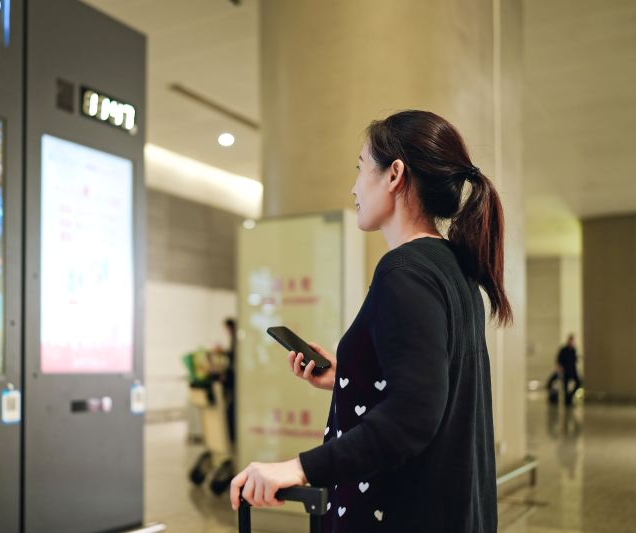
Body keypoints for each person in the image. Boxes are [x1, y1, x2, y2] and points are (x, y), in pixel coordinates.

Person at [230, 110, 510, 532]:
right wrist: (351, 378)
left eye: (361, 168)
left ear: (394, 174)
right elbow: (432, 383)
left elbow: (413, 415)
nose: (354, 187)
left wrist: (299, 468)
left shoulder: (403, 272)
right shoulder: (452, 268)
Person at [548, 334, 582, 406]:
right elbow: (559, 360)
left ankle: (569, 396)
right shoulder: (563, 350)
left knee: (578, 383)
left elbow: (574, 360)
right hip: (565, 372)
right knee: (565, 387)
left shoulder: (573, 350)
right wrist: (560, 368)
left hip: (572, 371)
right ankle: (567, 400)